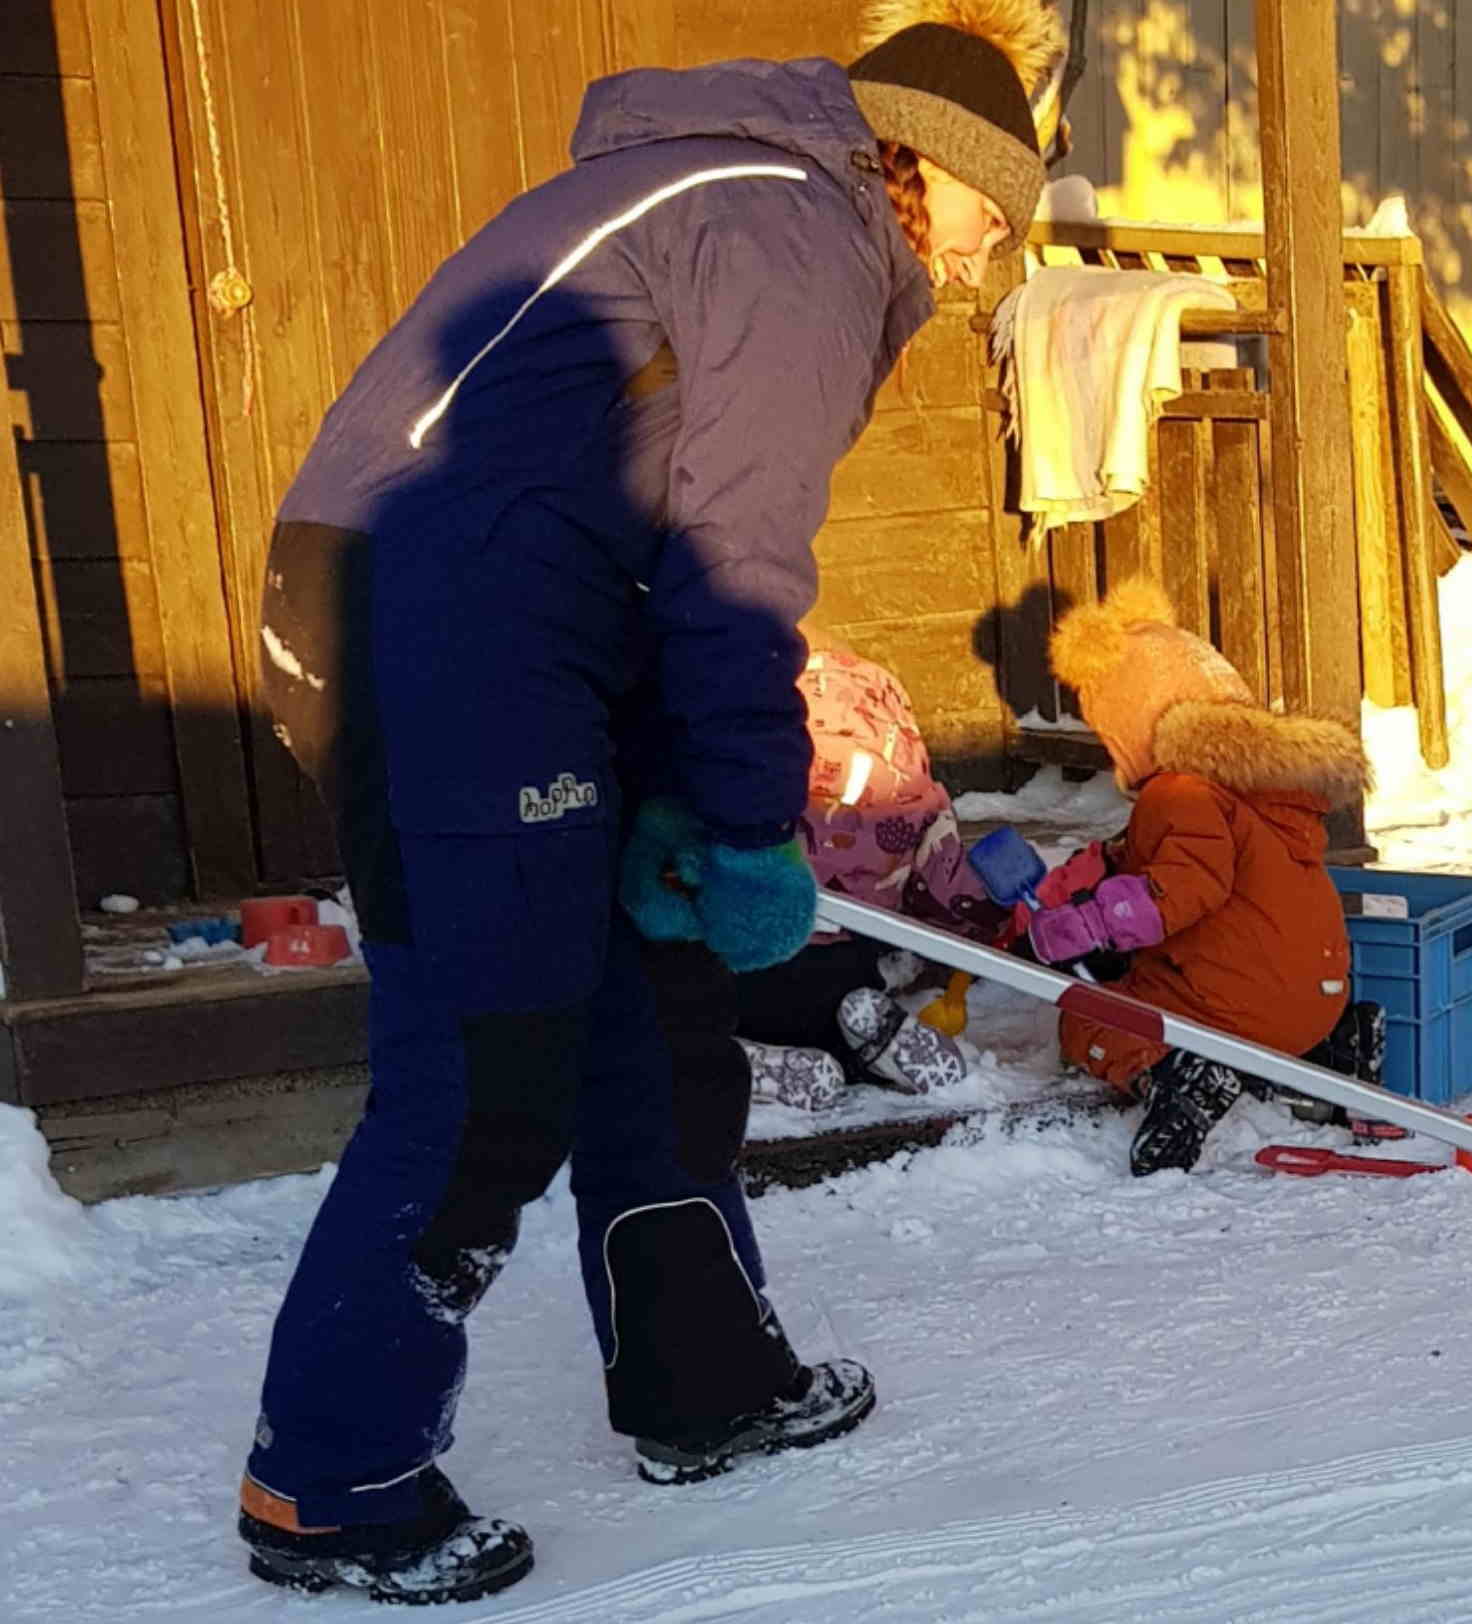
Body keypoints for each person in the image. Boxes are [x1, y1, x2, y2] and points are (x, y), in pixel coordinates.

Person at [237, 8, 1059, 1602]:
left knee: (651, 1003)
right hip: (439, 628)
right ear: (925, 166)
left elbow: (663, 524)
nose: (986, 258)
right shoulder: (792, 224)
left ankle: (703, 1384)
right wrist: (753, 824)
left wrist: (686, 790)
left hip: (521, 625)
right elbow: (731, 569)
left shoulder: (754, 197)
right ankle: (328, 1480)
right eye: (991, 216)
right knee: (490, 1059)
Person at [1029, 579, 1373, 1174]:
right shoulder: (1265, 787)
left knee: (1089, 1015)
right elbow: (1222, 862)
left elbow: (1185, 889)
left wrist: (1089, 922)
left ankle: (1177, 1074)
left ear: (1139, 724)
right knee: (1249, 970)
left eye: (1112, 737)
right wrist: (1115, 861)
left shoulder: (1179, 790)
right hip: (1319, 1003)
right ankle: (1337, 1049)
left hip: (1237, 1011)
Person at [732, 645, 1005, 1109]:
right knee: (857, 990)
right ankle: (870, 1047)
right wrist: (990, 922)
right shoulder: (907, 779)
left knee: (696, 1017)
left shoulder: (741, 750)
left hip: (747, 969)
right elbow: (944, 891)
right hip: (851, 967)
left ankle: (743, 1063)